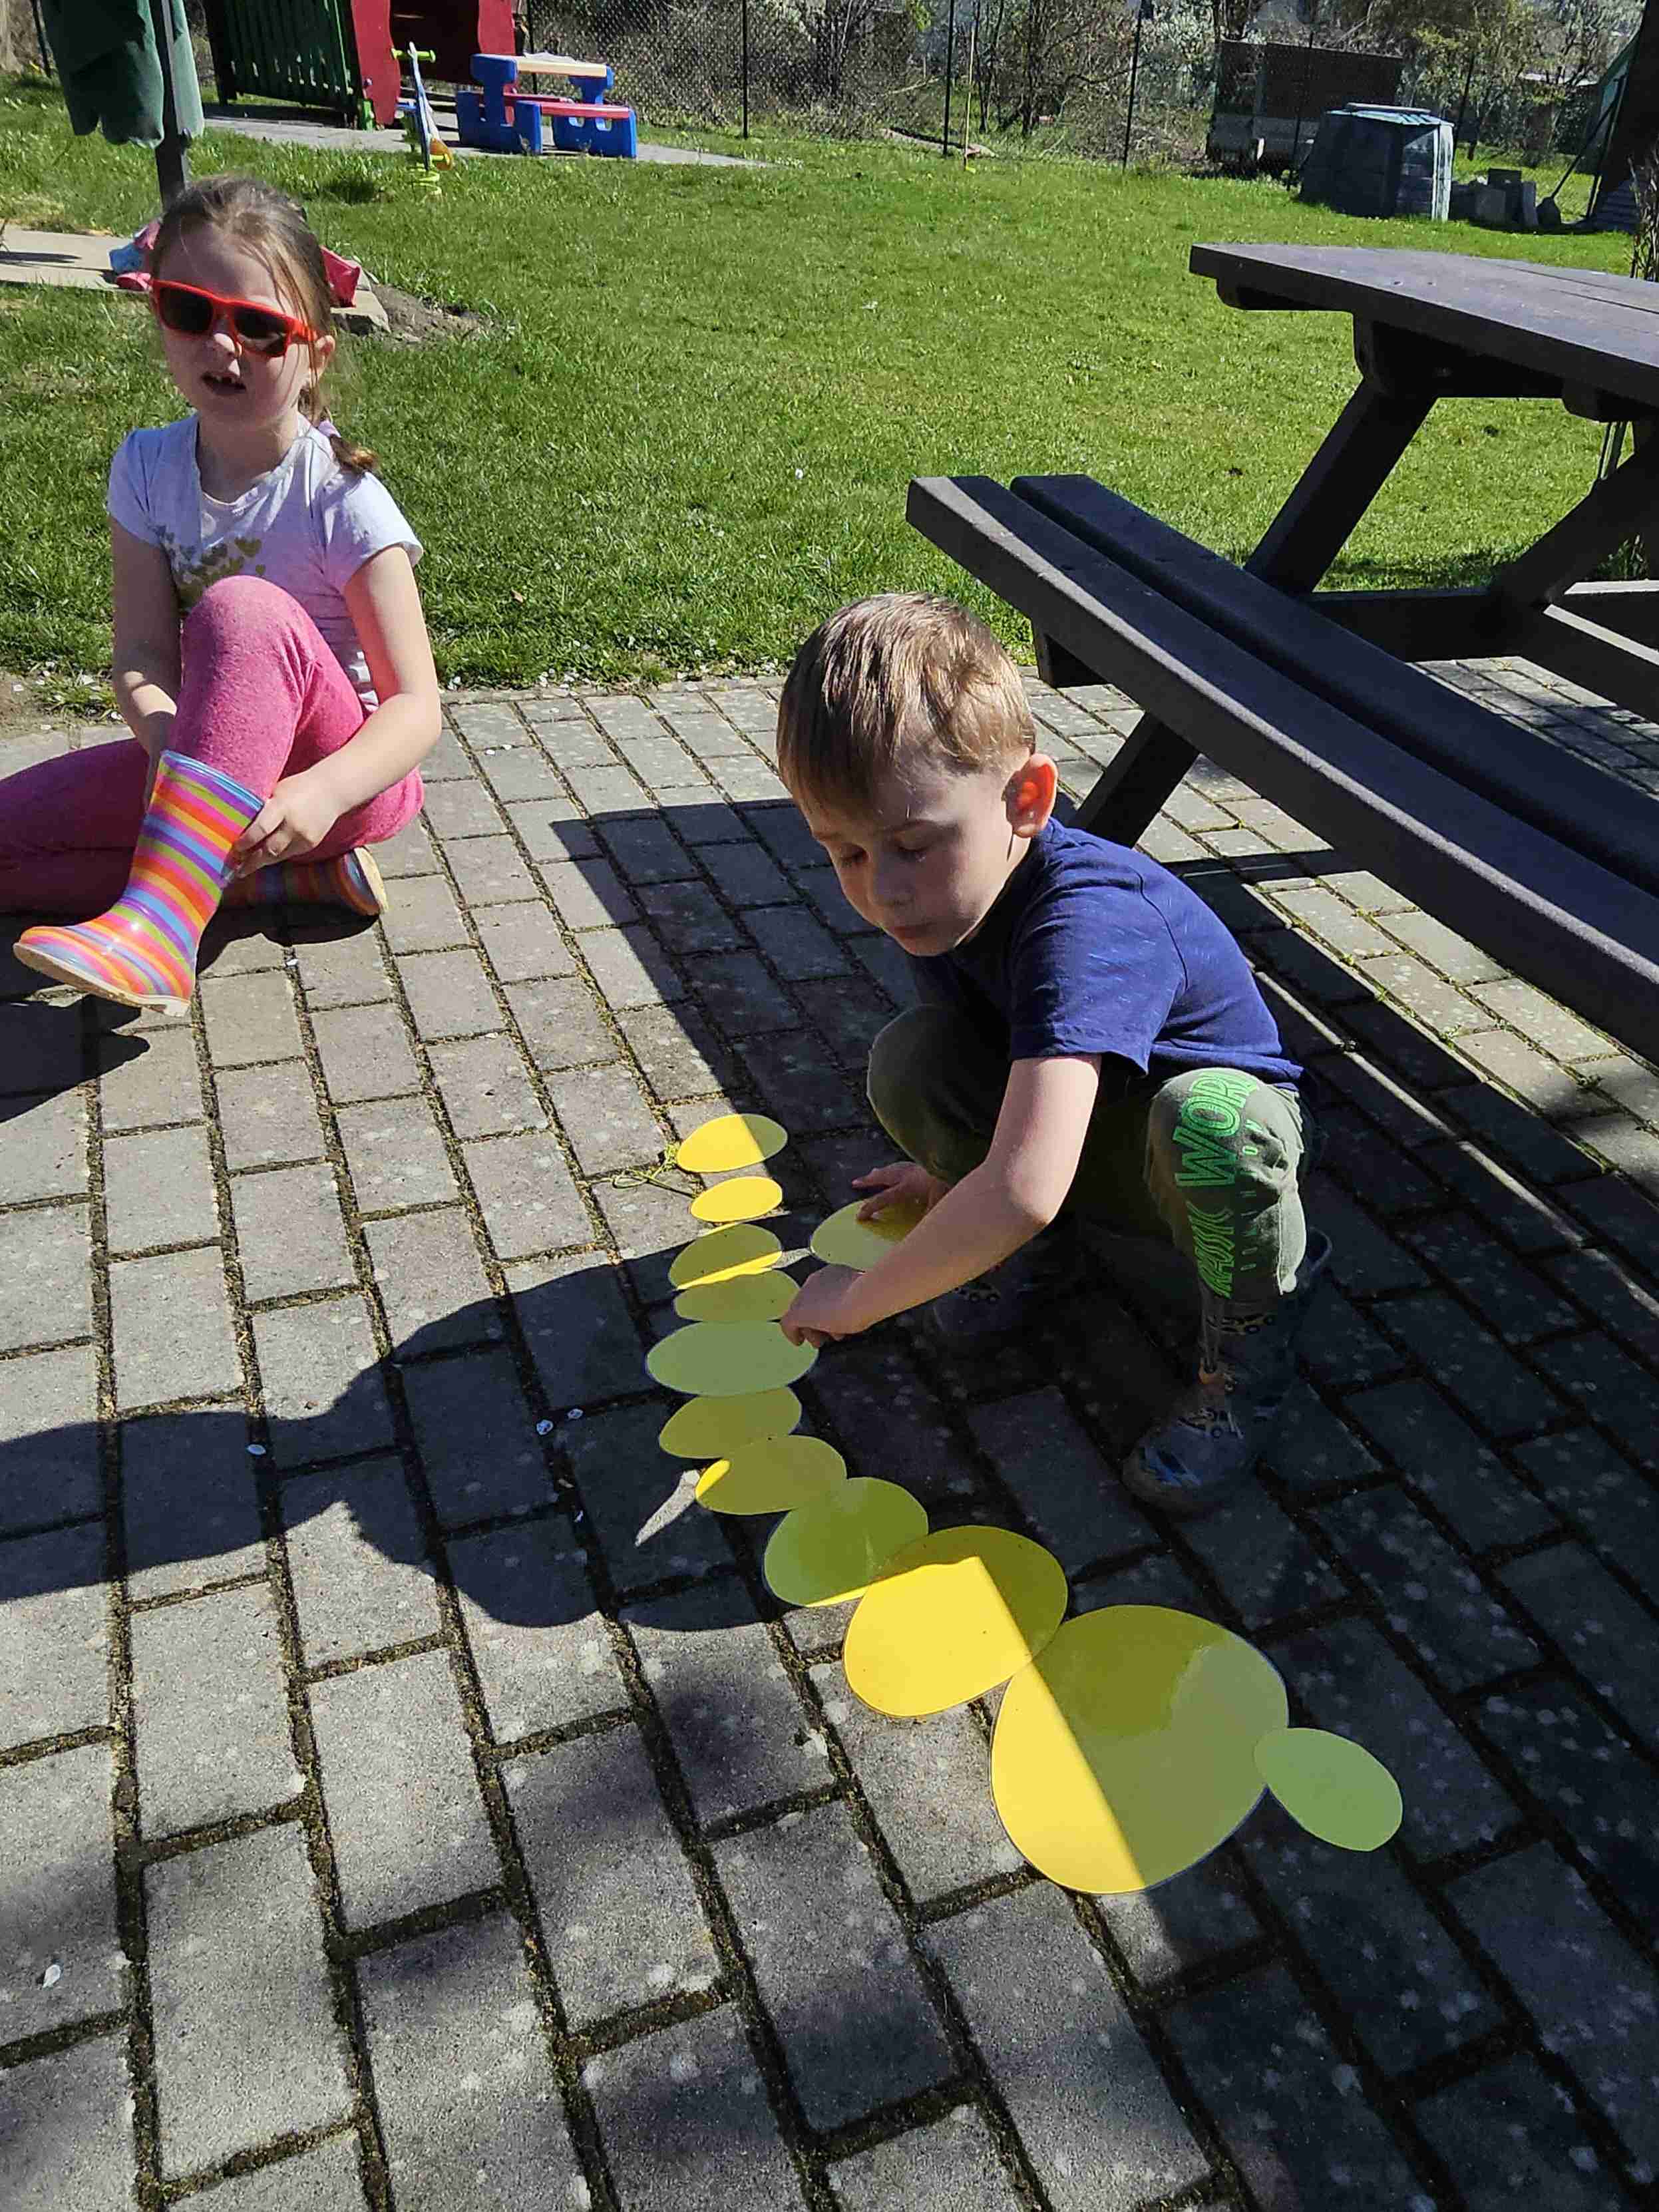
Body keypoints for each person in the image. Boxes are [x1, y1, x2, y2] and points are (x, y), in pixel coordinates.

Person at [775, 593, 1330, 1517]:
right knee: (912, 1059)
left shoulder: (1090, 922)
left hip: (1205, 1155)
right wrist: (943, 1172)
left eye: (911, 845)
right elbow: (985, 1051)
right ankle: (1036, 1257)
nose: (885, 891)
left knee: (1210, 1126)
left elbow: (1025, 1185)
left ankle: (1246, 1359)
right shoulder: (954, 897)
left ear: (1027, 800)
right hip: (1093, 1127)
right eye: (847, 855)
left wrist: (862, 1298)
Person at [4, 174, 440, 1007]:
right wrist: (171, 748)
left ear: (316, 354)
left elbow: (416, 708)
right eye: (191, 311)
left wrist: (322, 793)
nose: (222, 346)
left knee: (240, 609)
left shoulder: (341, 499)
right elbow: (141, 654)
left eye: (261, 328)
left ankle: (162, 932)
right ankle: (275, 885)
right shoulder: (147, 467)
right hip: (206, 761)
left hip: (343, 782)